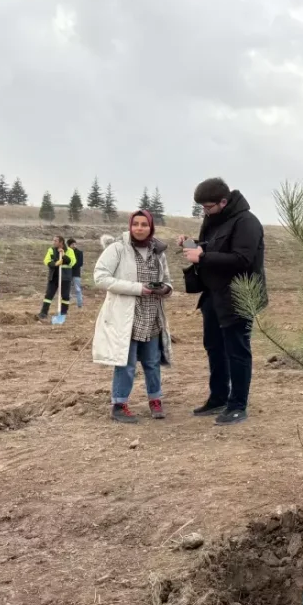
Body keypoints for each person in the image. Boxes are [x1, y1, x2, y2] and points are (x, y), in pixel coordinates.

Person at [177, 177, 266, 426]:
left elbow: (242, 259)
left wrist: (203, 256)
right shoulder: (214, 219)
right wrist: (192, 244)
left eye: (208, 207)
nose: (204, 211)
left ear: (223, 202)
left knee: (237, 350)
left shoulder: (247, 222)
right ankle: (218, 397)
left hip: (240, 296)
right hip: (214, 295)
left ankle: (238, 404)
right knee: (214, 347)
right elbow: (212, 246)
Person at [93, 211, 174, 423]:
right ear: (130, 226)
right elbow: (100, 277)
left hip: (152, 315)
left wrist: (165, 289)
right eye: (136, 224)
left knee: (152, 362)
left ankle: (155, 400)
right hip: (126, 316)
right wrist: (138, 288)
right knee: (126, 363)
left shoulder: (158, 251)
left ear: (151, 227)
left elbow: (167, 279)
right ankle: (119, 405)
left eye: (144, 224)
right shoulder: (118, 249)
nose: (139, 228)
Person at [38, 236, 77, 320]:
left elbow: (72, 262)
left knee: (65, 296)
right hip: (54, 276)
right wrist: (55, 264)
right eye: (54, 240)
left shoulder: (69, 251)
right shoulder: (51, 250)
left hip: (65, 277)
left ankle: (63, 313)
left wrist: (63, 255)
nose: (54, 242)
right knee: (48, 295)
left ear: (61, 242)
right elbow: (47, 261)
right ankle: (43, 313)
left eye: (55, 241)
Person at [68, 239, 85, 309]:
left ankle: (79, 305)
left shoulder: (79, 252)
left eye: (75, 244)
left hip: (76, 273)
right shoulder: (67, 252)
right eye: (72, 244)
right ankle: (66, 305)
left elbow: (80, 263)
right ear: (69, 245)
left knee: (77, 289)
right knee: (67, 289)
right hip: (67, 273)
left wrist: (71, 265)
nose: (74, 245)